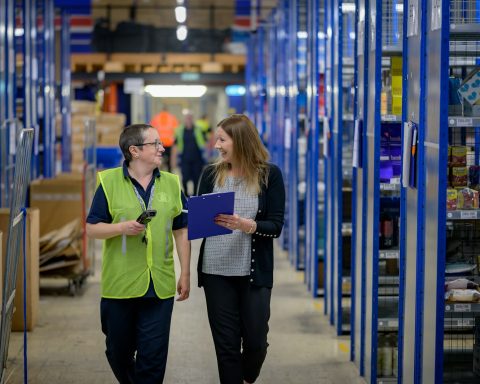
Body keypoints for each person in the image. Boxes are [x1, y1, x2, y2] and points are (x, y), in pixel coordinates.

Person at [86, 123, 191, 384]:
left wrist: (185, 272)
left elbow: (181, 230)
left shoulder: (171, 183)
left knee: (153, 358)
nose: (161, 147)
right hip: (120, 285)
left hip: (160, 285)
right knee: (118, 353)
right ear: (134, 150)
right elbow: (91, 229)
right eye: (155, 143)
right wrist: (121, 227)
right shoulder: (108, 182)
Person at [196, 114, 285, 384]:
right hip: (216, 271)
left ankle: (247, 377)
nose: (217, 145)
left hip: (253, 274)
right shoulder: (210, 174)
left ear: (241, 141)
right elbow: (199, 222)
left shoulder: (270, 175)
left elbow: (275, 226)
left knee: (256, 342)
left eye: (222, 140)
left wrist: (247, 225)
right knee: (227, 347)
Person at [172, 111, 206, 196]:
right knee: (185, 178)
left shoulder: (198, 129)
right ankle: (186, 194)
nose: (189, 120)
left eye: (190, 118)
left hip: (197, 158)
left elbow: (206, 141)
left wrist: (207, 154)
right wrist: (173, 160)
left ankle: (194, 195)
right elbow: (175, 146)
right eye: (187, 118)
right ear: (184, 119)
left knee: (196, 178)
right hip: (185, 158)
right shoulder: (180, 130)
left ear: (192, 119)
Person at [149, 106, 179, 172]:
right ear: (167, 110)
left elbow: (151, 129)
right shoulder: (172, 118)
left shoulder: (156, 117)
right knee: (169, 159)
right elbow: (177, 130)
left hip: (158, 142)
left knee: (158, 158)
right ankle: (169, 172)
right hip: (169, 142)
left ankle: (158, 172)